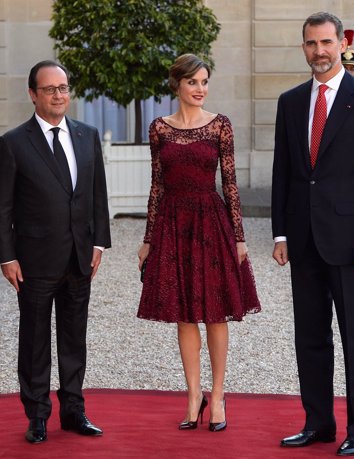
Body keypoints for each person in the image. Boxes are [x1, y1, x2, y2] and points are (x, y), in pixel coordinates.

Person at [271, 12, 354, 456]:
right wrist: (280, 233)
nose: (319, 51)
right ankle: (318, 423)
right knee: (310, 337)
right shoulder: (290, 102)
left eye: (326, 42)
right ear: (303, 47)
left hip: (351, 243)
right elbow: (284, 173)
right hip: (303, 240)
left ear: (342, 44)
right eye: (310, 43)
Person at [137, 54, 261, 433]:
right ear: (177, 85)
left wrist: (239, 237)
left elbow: (230, 183)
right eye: (193, 82)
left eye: (205, 82)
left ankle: (219, 395)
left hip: (211, 222)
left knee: (215, 311)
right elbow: (157, 185)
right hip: (174, 224)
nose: (200, 89)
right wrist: (147, 239)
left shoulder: (219, 126)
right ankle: (194, 395)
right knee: (185, 312)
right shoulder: (159, 128)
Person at [0, 60, 111, 444]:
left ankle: (74, 411)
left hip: (79, 257)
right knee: (35, 340)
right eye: (50, 89)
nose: (59, 95)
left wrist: (98, 242)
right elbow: (1, 206)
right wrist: (7, 256)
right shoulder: (13, 143)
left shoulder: (87, 135)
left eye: (63, 88)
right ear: (32, 94)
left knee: (75, 339)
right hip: (34, 262)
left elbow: (97, 194)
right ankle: (37, 415)